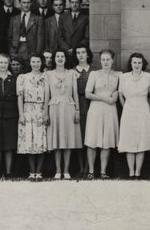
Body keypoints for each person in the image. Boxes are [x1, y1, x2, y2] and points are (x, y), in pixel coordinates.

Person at [118, 53, 150, 178]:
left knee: (142, 139)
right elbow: (120, 95)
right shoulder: (123, 77)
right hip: (128, 109)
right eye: (134, 62)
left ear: (143, 64)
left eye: (139, 62)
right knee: (129, 139)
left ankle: (138, 171)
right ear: (131, 63)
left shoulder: (149, 77)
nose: (137, 65)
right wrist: (127, 107)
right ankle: (131, 171)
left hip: (143, 109)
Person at [83, 50, 120, 179]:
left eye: (108, 59)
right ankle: (91, 171)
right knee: (93, 140)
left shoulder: (118, 75)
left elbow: (121, 90)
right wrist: (105, 99)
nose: (105, 62)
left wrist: (116, 92)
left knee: (107, 141)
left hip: (110, 110)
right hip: (96, 109)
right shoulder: (94, 74)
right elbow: (88, 93)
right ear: (100, 61)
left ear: (112, 60)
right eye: (103, 60)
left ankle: (103, 171)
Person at [46, 50, 82, 179]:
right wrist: (45, 113)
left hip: (69, 107)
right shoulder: (49, 74)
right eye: (57, 56)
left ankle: (66, 171)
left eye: (62, 56)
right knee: (56, 140)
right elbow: (46, 95)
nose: (60, 58)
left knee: (68, 139)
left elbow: (75, 93)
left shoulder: (72, 74)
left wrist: (77, 110)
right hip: (54, 108)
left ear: (65, 59)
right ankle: (58, 170)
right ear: (54, 59)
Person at [17, 54, 49, 180]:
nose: (36, 64)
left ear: (42, 63)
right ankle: (31, 172)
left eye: (38, 61)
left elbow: (47, 96)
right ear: (29, 63)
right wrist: (21, 114)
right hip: (27, 110)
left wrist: (46, 112)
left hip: (40, 110)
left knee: (40, 140)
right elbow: (20, 96)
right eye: (33, 62)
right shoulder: (23, 78)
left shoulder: (46, 77)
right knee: (29, 141)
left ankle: (39, 172)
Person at [72, 46, 92, 176]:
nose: (81, 55)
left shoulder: (94, 71)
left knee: (89, 135)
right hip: (76, 104)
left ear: (88, 54)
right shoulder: (71, 71)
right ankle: (81, 167)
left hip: (91, 103)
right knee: (79, 135)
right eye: (78, 53)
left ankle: (89, 167)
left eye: (83, 52)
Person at [8, 0, 45, 64]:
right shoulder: (14, 19)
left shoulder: (38, 19)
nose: (26, 5)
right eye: (24, 2)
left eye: (28, 2)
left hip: (31, 52)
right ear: (20, 3)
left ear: (31, 3)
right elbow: (9, 37)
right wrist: (11, 52)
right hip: (16, 51)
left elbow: (40, 39)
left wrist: (36, 54)